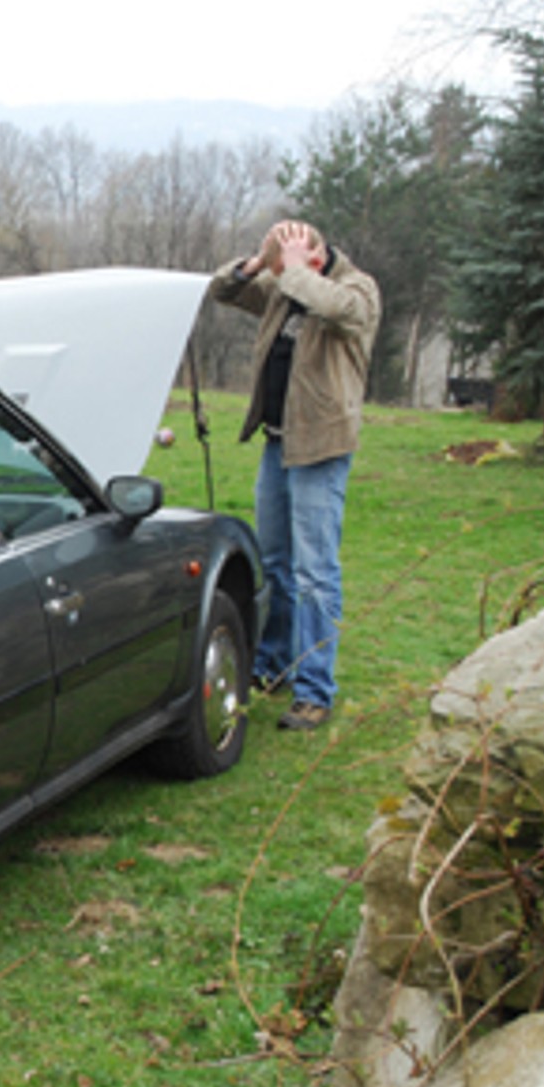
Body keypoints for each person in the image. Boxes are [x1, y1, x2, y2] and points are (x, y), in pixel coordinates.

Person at [210, 220, 381, 731]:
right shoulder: (283, 287)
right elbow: (223, 289)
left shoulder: (356, 288)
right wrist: (259, 263)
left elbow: (334, 308)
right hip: (278, 442)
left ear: (314, 255)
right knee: (276, 564)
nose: (279, 276)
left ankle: (314, 691)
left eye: (286, 262)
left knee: (315, 575)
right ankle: (274, 664)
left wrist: (296, 270)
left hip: (321, 448)